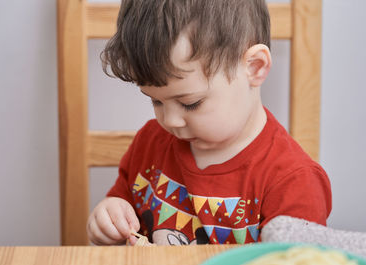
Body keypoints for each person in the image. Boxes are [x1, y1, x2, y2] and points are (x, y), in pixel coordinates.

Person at [86, 0, 332, 246]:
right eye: (156, 101)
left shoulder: (294, 183)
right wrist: (111, 216)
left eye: (191, 103)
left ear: (254, 67)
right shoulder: (150, 143)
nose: (169, 120)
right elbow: (123, 207)